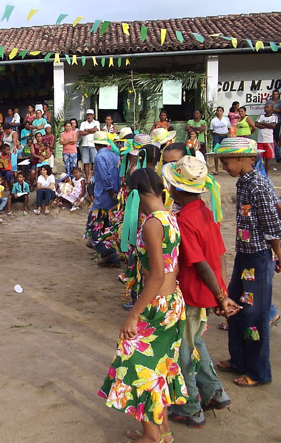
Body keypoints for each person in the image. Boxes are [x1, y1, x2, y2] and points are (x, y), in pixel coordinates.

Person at [100, 167, 187, 443]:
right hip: (172, 301)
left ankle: (153, 437)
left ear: (134, 193)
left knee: (136, 365)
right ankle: (162, 431)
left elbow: (157, 274)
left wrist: (134, 314)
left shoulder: (152, 224)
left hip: (157, 305)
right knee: (160, 368)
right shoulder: (169, 218)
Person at [161, 156, 236, 428]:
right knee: (196, 341)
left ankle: (190, 407)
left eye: (171, 186)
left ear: (179, 190)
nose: (168, 190)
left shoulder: (184, 221)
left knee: (184, 349)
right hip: (208, 290)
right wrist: (222, 291)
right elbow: (220, 255)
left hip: (193, 292)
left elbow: (201, 264)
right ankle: (214, 391)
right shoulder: (205, 212)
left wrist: (220, 296)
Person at [213, 138, 281, 387]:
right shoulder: (243, 182)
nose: (224, 166)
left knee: (255, 314)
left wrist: (278, 254)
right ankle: (239, 359)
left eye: (226, 161)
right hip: (244, 253)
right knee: (235, 308)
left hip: (259, 256)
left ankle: (259, 371)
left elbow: (272, 225)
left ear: (244, 158)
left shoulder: (259, 184)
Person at [85, 131, 120, 267]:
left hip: (103, 197)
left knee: (94, 226)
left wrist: (110, 191)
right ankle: (109, 253)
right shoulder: (114, 155)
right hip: (112, 195)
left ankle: (108, 254)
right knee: (107, 225)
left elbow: (105, 177)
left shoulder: (100, 157)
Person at [255, 103, 278, 175]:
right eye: (265, 107)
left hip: (269, 141)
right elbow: (256, 124)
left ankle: (266, 174)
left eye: (267, 107)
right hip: (260, 141)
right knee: (259, 158)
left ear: (271, 109)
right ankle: (259, 173)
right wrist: (267, 125)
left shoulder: (274, 117)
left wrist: (263, 123)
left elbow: (273, 125)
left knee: (268, 159)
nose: (265, 109)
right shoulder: (261, 116)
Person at [79, 109, 100, 182]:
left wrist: (86, 130)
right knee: (86, 162)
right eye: (88, 114)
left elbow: (96, 130)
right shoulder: (83, 123)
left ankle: (93, 176)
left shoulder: (96, 122)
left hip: (93, 144)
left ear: (93, 115)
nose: (89, 116)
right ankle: (88, 178)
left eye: (91, 114)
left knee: (94, 162)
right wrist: (91, 130)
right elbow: (81, 133)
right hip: (85, 144)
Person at [209, 106, 231, 175]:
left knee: (225, 152)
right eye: (218, 111)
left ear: (223, 112)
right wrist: (216, 135)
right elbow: (211, 130)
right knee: (216, 152)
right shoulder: (213, 120)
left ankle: (227, 168)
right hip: (217, 135)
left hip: (224, 135)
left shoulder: (226, 119)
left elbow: (229, 128)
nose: (219, 112)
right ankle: (216, 169)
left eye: (220, 111)